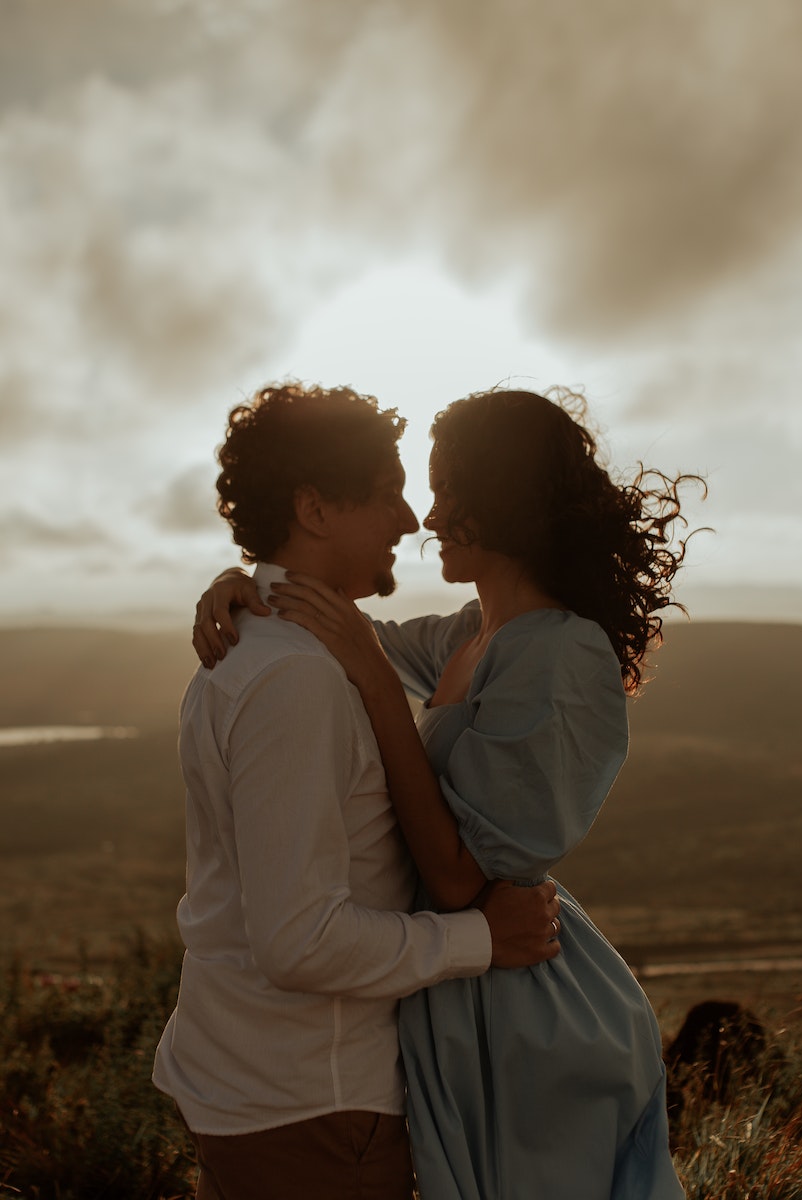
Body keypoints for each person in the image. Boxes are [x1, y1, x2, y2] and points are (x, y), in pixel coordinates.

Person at [194, 386, 696, 1200]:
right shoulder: (471, 633)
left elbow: (465, 879)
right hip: (453, 999)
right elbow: (348, 635)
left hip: (526, 1009)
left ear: (503, 498)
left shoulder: (563, 656)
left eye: (446, 492)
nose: (426, 519)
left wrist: (378, 687)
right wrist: (244, 586)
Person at [152, 381, 562, 1200]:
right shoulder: (296, 681)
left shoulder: (261, 642)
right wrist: (484, 940)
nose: (409, 521)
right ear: (314, 508)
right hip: (311, 1107)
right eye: (387, 496)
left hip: (257, 1085)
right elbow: (300, 941)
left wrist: (249, 582)